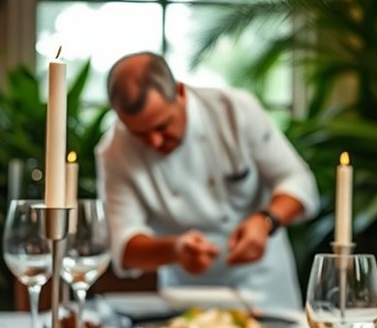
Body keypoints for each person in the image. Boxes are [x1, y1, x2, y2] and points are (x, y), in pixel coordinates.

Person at [95, 52, 319, 309]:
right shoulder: (115, 150)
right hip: (188, 299)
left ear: (179, 92)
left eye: (162, 126)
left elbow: (298, 180)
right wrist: (176, 249)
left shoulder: (235, 111)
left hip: (263, 289)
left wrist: (266, 220)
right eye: (139, 134)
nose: (154, 142)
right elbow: (124, 247)